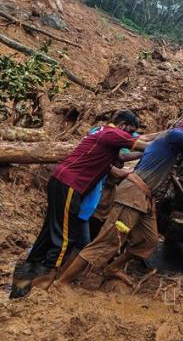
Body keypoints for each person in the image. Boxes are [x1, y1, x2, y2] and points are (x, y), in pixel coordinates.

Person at [58, 116, 183, 286]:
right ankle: (63, 282)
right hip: (133, 195)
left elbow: (146, 141)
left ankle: (112, 268)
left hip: (143, 197)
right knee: (107, 241)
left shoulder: (167, 137)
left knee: (149, 240)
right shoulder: (174, 136)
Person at [10, 110, 151, 298]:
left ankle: (24, 279)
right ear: (124, 125)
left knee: (49, 231)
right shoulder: (112, 133)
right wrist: (171, 142)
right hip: (70, 184)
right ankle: (45, 281)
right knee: (64, 237)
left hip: (61, 181)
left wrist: (124, 173)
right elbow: (144, 146)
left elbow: (113, 164)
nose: (130, 135)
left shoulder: (100, 134)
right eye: (130, 131)